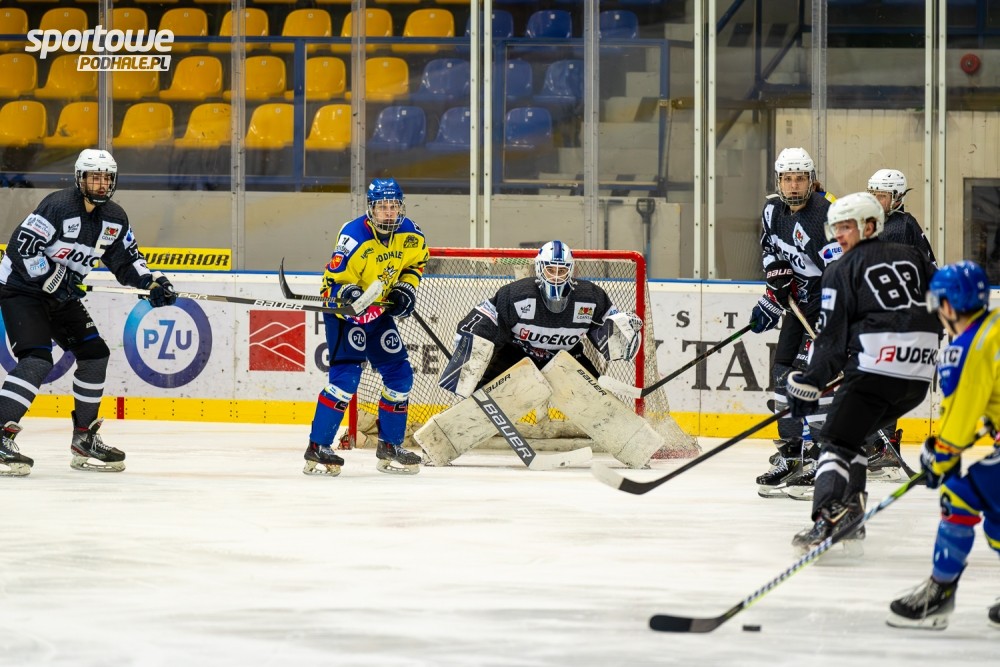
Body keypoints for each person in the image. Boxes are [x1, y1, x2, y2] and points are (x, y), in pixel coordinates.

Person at [414, 240, 693, 469]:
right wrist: (472, 342)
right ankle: (438, 445)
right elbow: (484, 322)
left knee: (596, 400)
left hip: (566, 357)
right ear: (539, 269)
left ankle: (637, 448)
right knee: (481, 398)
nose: (556, 276)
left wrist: (620, 335)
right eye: (550, 269)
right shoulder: (517, 295)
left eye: (562, 270)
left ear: (571, 270)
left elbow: (606, 337)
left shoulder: (590, 297)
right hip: (516, 354)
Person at [0, 149, 177, 477]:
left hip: (61, 295)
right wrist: (52, 277)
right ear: (80, 179)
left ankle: (84, 438)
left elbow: (127, 261)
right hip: (21, 289)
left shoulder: (115, 218)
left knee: (95, 354)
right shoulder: (58, 206)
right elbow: (22, 248)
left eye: (106, 178)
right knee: (37, 360)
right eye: (94, 177)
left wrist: (153, 282)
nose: (101, 184)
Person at [784, 192, 940, 554]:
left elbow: (830, 341)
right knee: (853, 434)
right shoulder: (914, 256)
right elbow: (941, 302)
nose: (838, 235)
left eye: (846, 227)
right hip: (917, 377)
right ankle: (852, 515)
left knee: (834, 439)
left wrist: (810, 382)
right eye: (835, 227)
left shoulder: (840, 269)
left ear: (870, 226)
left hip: (875, 372)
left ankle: (829, 516)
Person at [887, 260, 1000, 630]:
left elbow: (960, 413)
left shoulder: (967, 345)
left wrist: (941, 455)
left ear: (949, 305)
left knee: (958, 495)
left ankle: (938, 595)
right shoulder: (995, 326)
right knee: (997, 518)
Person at [303, 177, 429, 477]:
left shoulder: (411, 234)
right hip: (345, 315)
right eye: (383, 207)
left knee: (400, 376)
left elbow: (415, 265)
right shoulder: (353, 236)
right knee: (346, 379)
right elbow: (330, 283)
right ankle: (318, 446)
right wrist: (348, 293)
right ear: (371, 208)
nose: (389, 212)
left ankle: (390, 445)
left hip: (378, 313)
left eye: (394, 206)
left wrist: (405, 289)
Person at [749, 147, 838, 498]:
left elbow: (841, 268)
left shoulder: (827, 213)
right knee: (783, 371)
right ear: (779, 181)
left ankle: (821, 455)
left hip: (827, 304)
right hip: (797, 304)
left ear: (811, 179)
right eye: (787, 178)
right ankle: (790, 454)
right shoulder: (772, 210)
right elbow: (770, 251)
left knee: (812, 375)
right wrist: (774, 289)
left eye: (800, 178)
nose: (794, 185)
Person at [861, 168, 939, 479]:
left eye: (881, 196)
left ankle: (883, 446)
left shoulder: (904, 226)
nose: (875, 200)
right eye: (873, 194)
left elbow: (929, 269)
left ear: (897, 198)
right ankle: (874, 444)